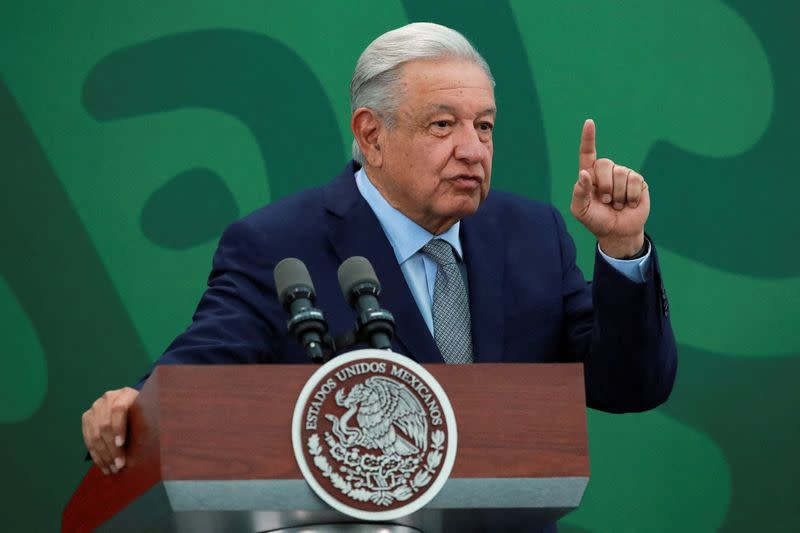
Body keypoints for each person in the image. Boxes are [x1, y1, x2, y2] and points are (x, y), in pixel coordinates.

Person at [82, 22, 676, 495]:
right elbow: (198, 371)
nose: (472, 149)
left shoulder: (532, 232)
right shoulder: (278, 245)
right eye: (443, 125)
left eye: (485, 126)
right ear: (371, 136)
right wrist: (136, 405)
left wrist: (622, 249)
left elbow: (630, 385)